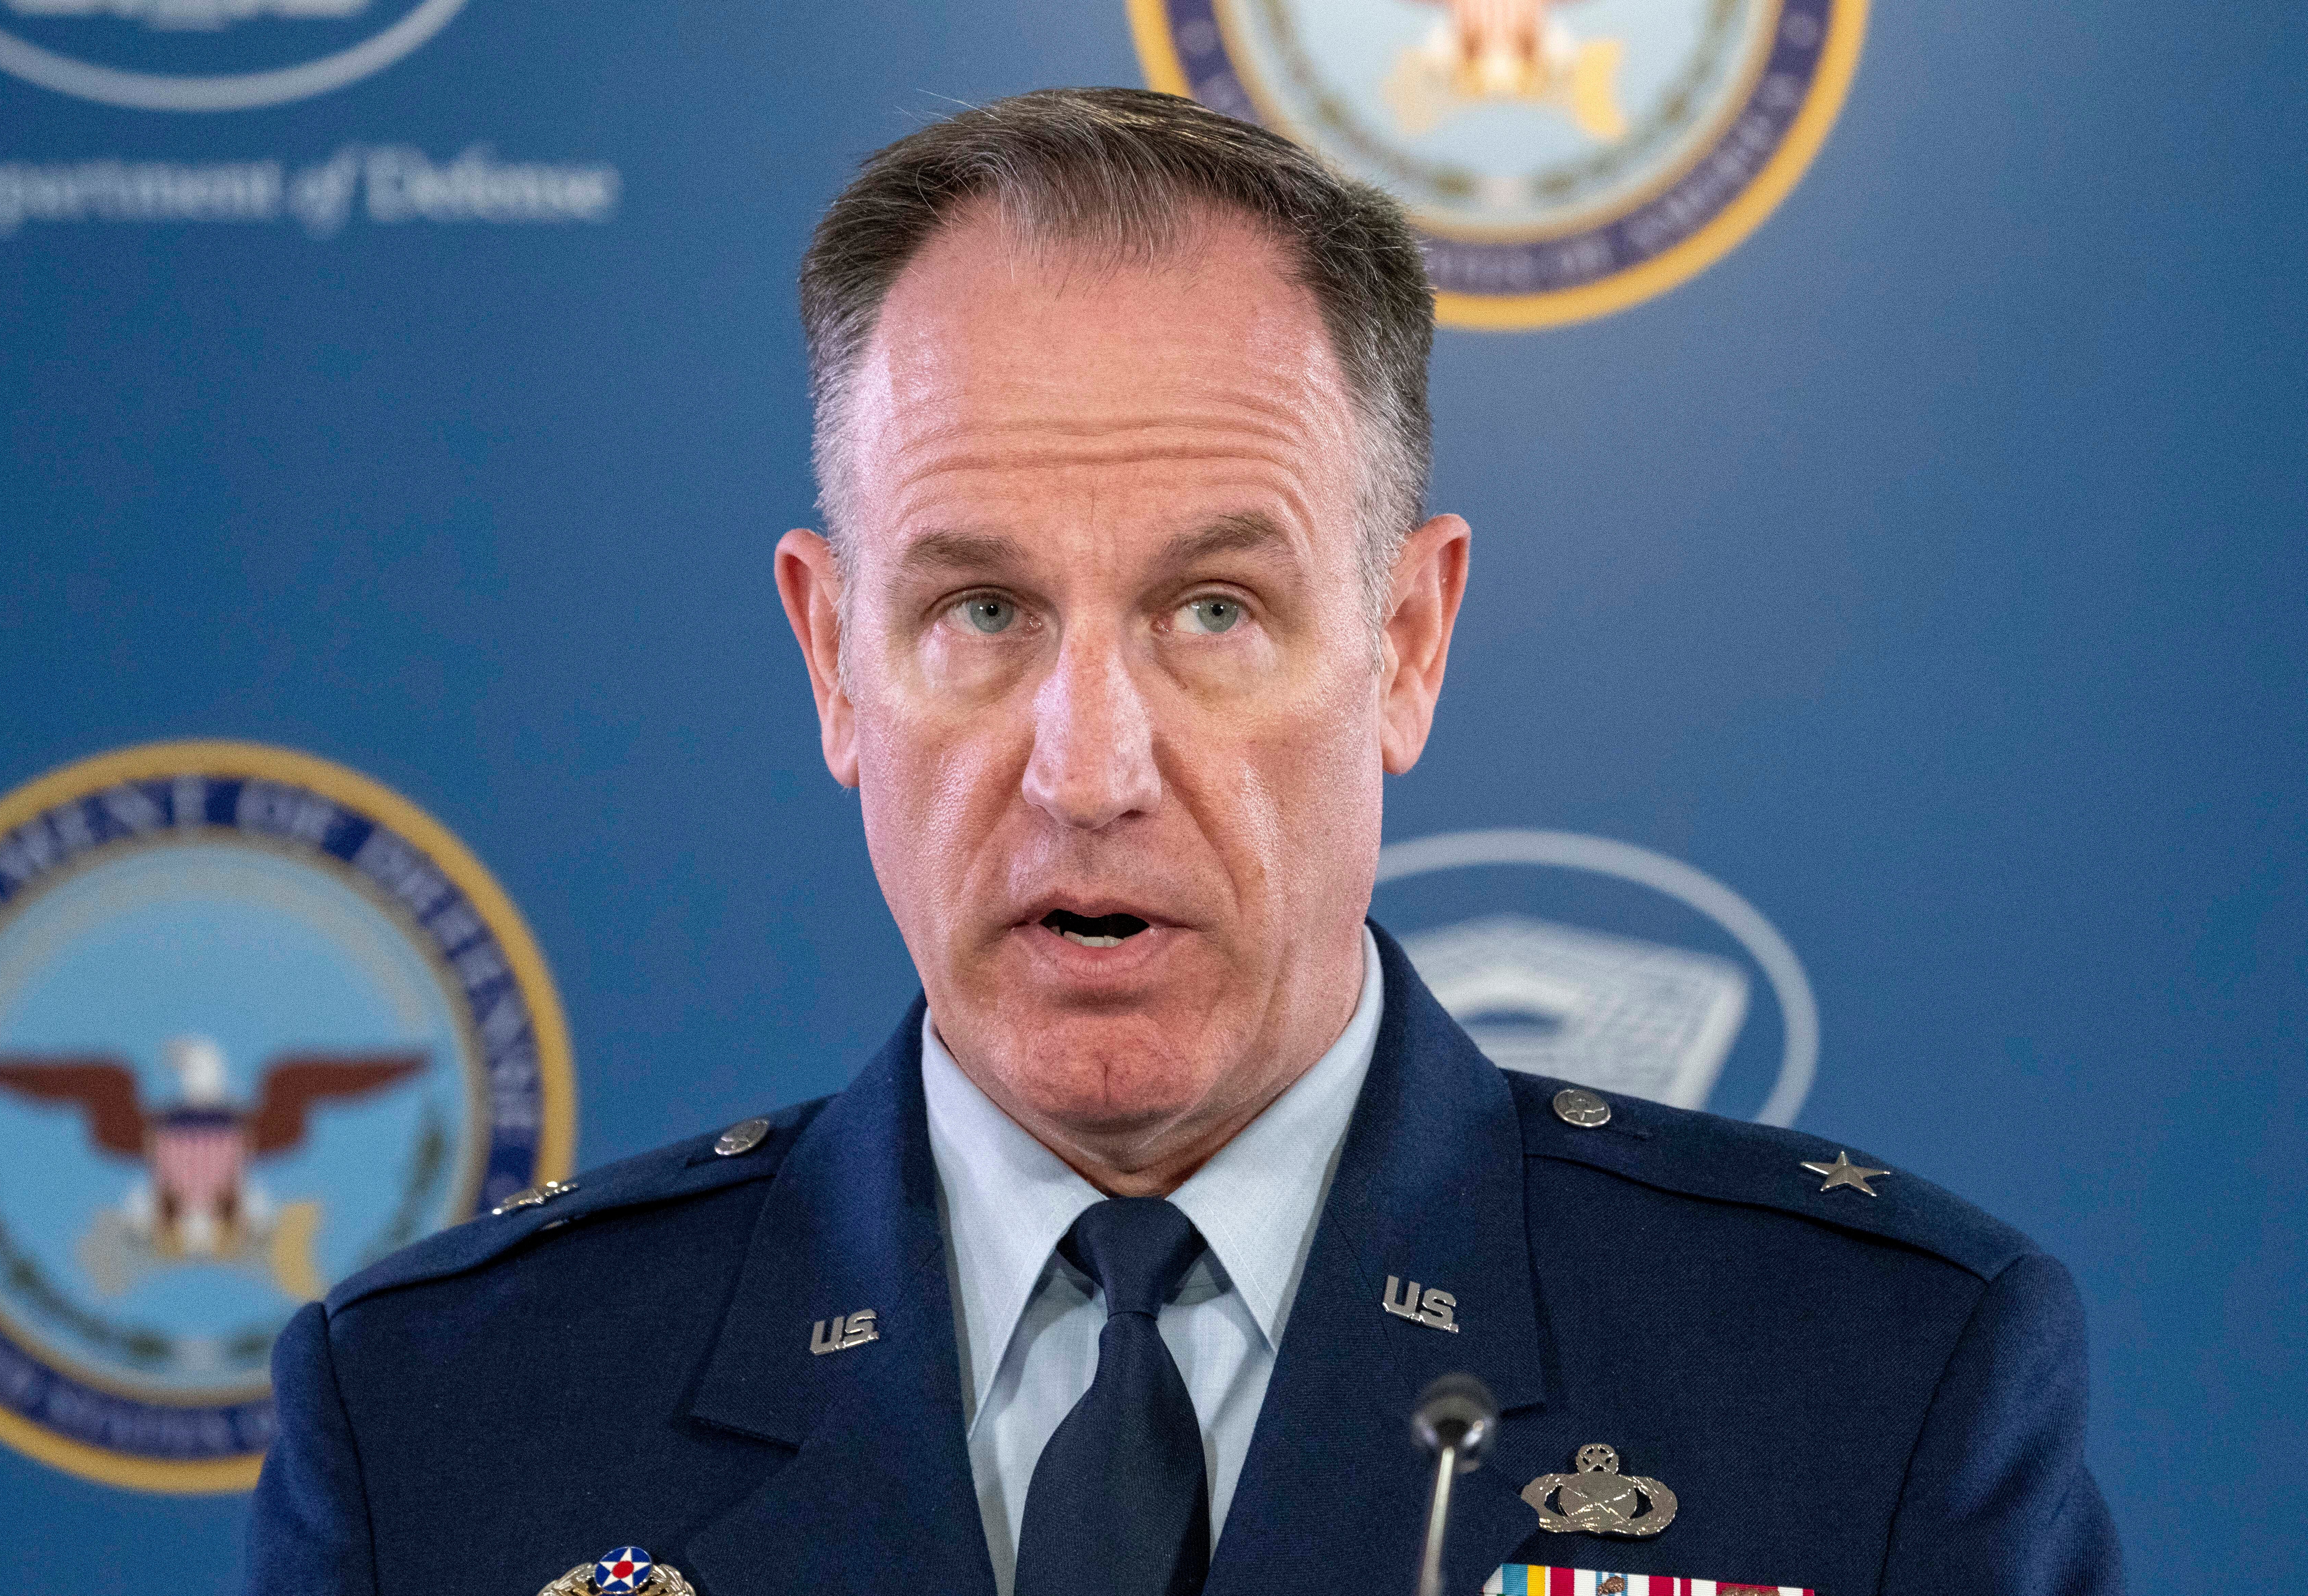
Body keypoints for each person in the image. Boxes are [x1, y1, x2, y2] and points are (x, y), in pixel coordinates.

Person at [248, 87, 2123, 1596]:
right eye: (980, 612)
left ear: (1403, 643)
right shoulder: (445, 1419)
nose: (1089, 764)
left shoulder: (1865, 1381)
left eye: (1213, 610)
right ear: (833, 659)